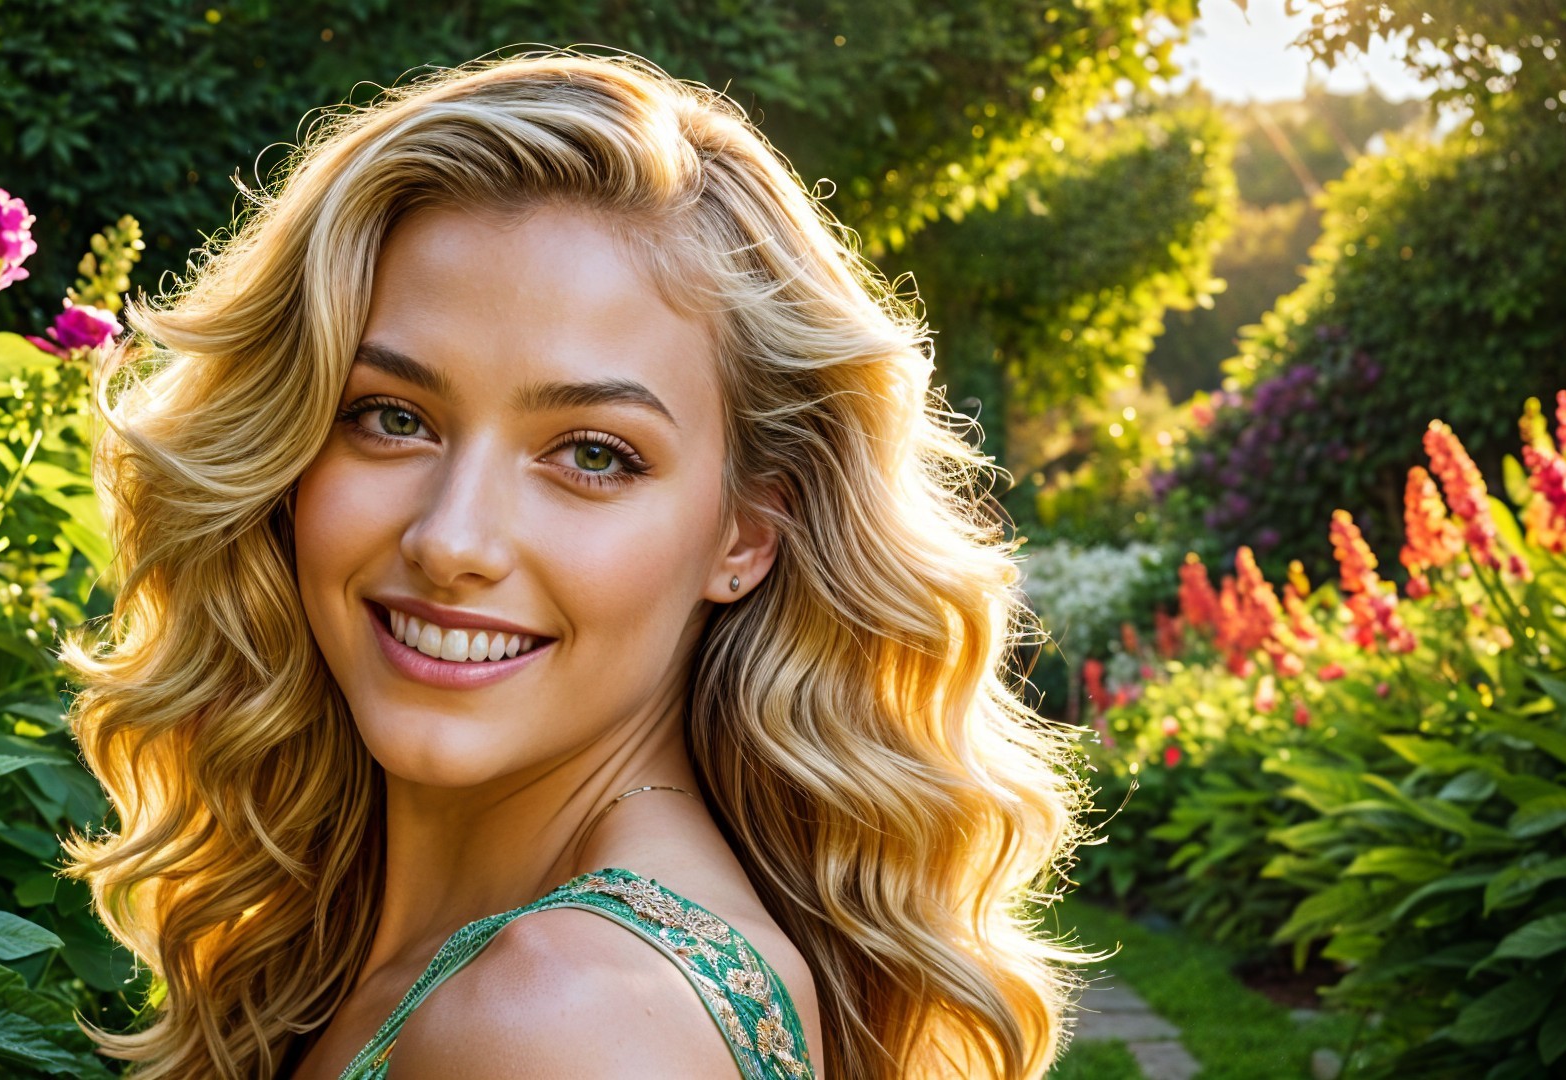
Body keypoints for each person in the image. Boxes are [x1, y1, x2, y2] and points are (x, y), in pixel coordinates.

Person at [59, 51, 1085, 1080]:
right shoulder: (407, 956)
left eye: (594, 453)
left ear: (747, 533)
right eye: (392, 418)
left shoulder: (564, 1019)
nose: (452, 540)